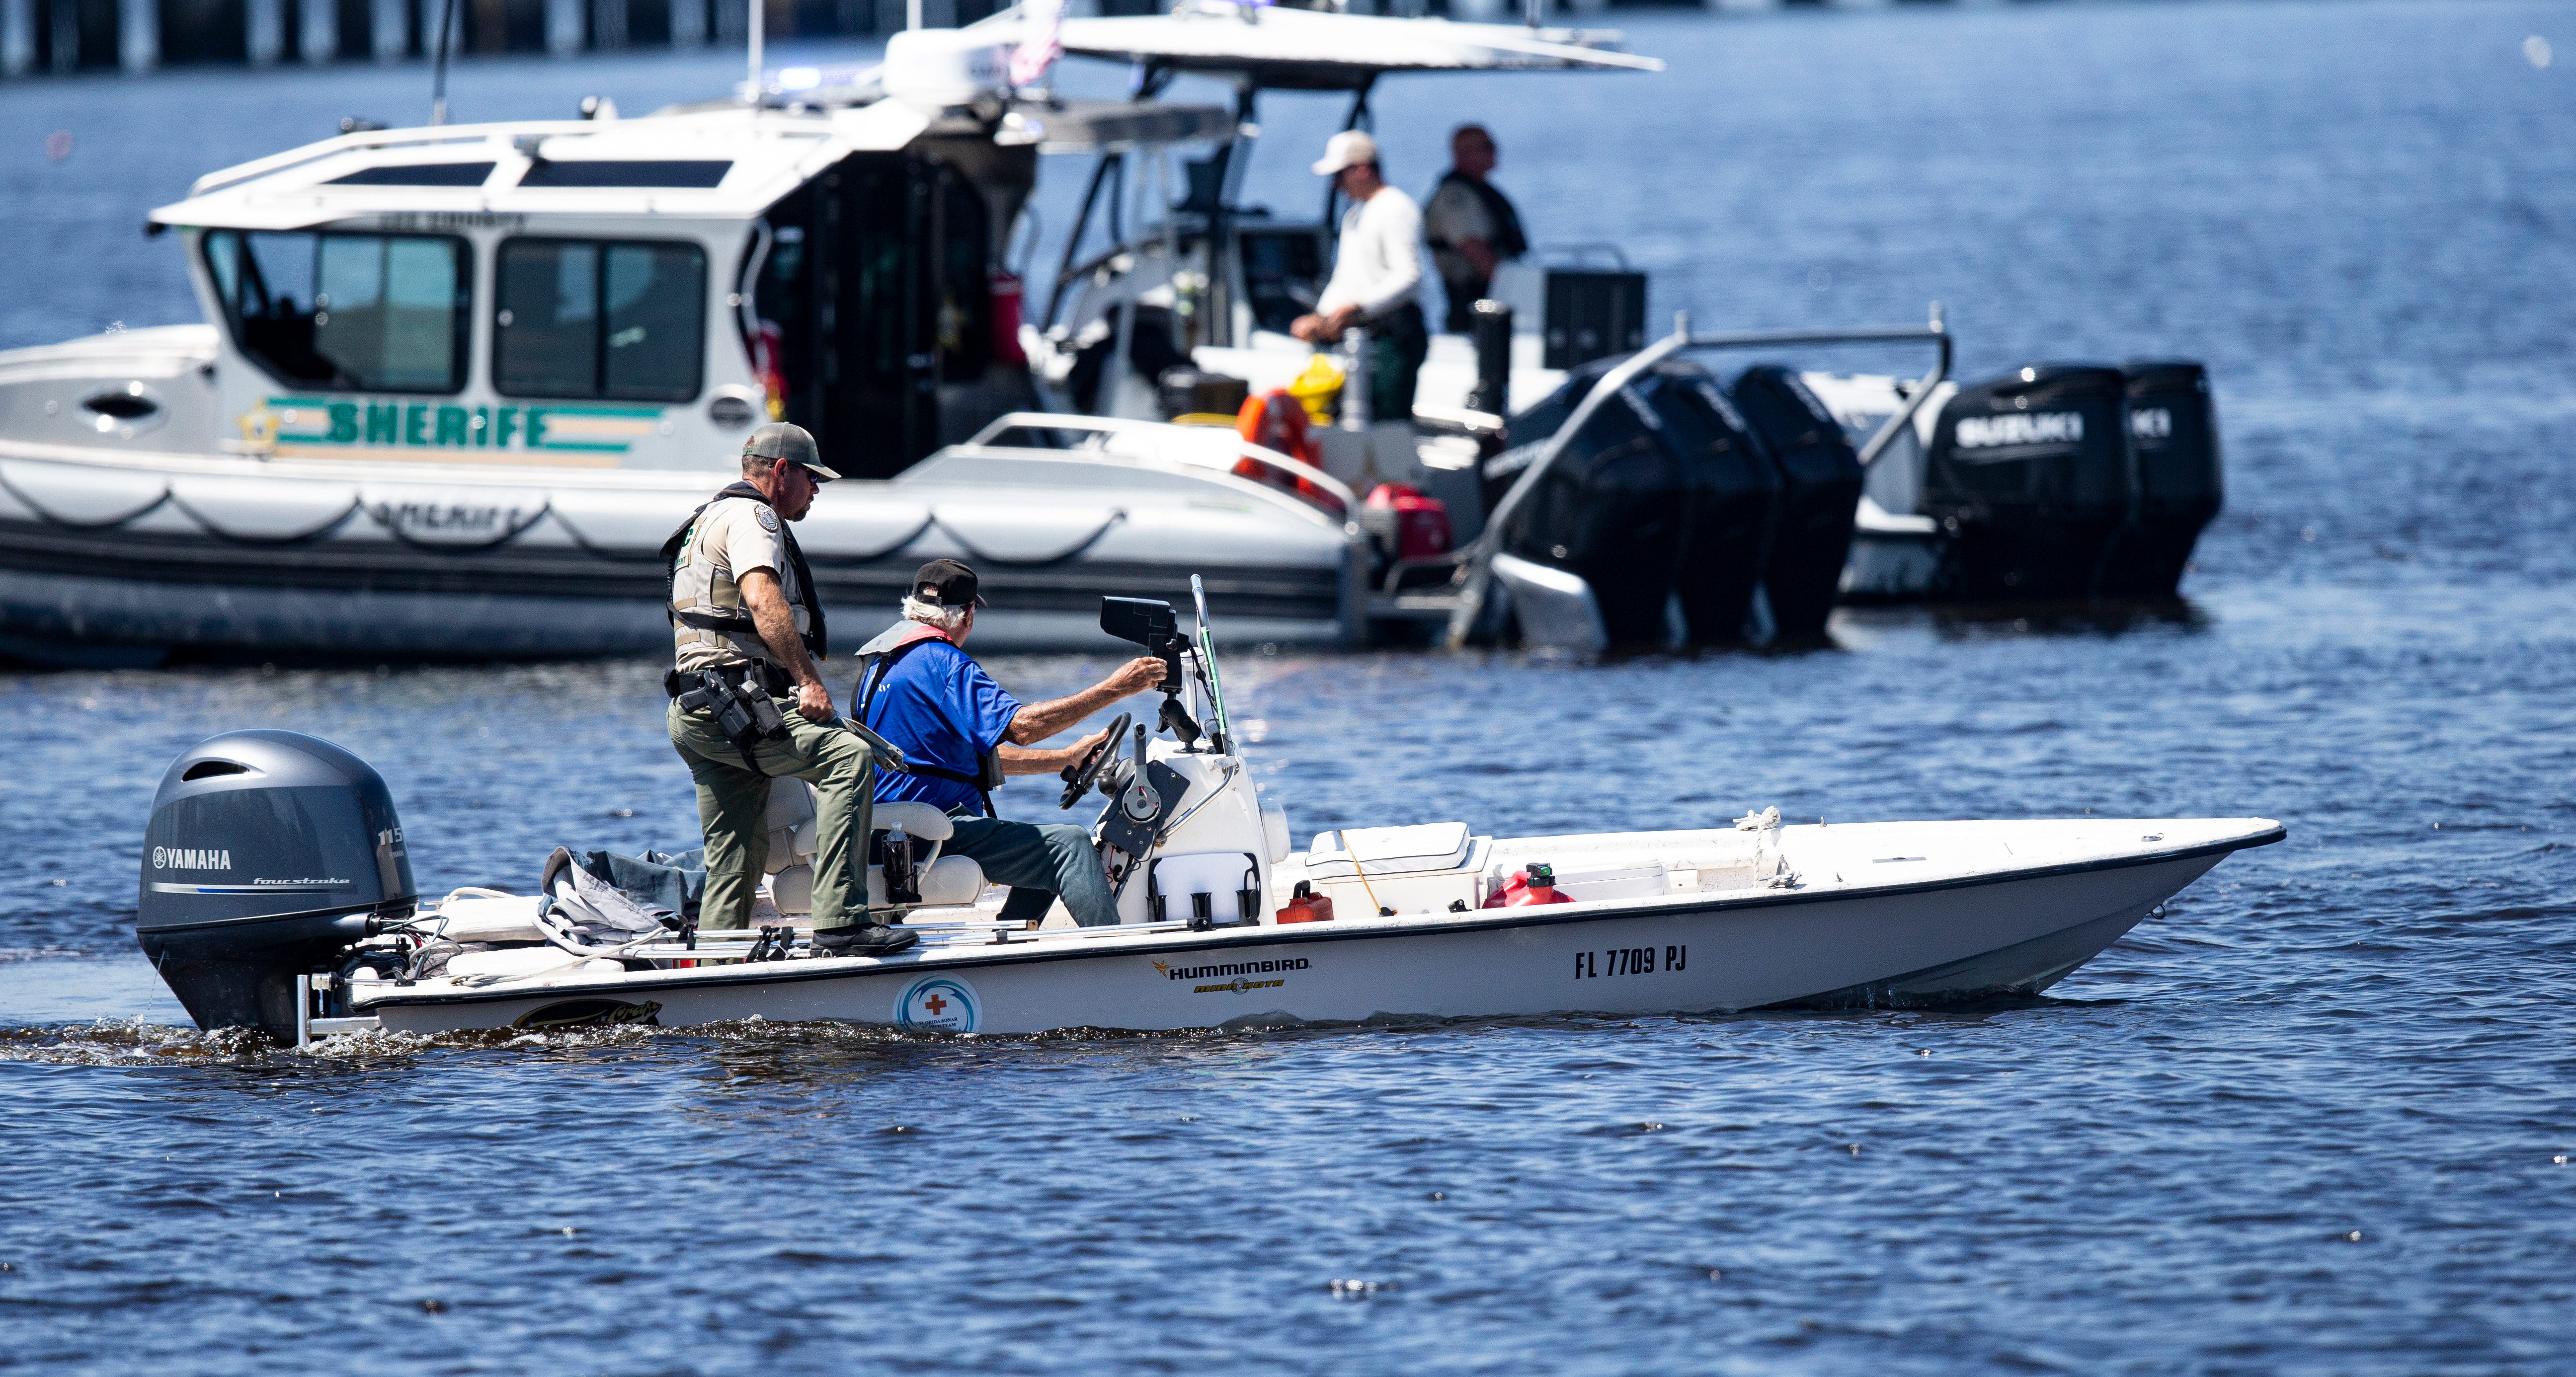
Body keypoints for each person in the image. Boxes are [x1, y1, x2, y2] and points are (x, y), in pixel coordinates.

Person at [663, 422, 915, 957]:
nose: (817, 490)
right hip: (735, 703)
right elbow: (762, 599)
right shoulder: (754, 517)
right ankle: (841, 923)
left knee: (735, 852)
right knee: (848, 758)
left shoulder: (706, 517)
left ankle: (716, 960)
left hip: (698, 711)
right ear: (781, 471)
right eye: (812, 477)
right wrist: (808, 682)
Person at [852, 560, 1165, 928]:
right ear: (968, 615)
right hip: (932, 831)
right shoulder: (944, 664)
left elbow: (953, 756)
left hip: (884, 831)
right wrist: (1116, 688)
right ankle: (1111, 955)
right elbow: (1023, 728)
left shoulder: (880, 665)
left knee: (1041, 844)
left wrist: (1064, 759)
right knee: (1071, 846)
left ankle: (1015, 939)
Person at [1290, 129, 1430, 428]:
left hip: (1395, 336)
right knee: (1355, 418)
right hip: (1365, 336)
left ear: (1362, 169)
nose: (1336, 185)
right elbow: (1345, 277)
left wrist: (1357, 307)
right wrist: (1321, 317)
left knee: (1388, 424)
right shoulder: (1354, 215)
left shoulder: (1395, 208)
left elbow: (1409, 275)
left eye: (1339, 176)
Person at [1423, 123, 1530, 335]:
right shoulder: (1455, 198)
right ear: (1462, 153)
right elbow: (1476, 251)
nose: (1494, 151)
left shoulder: (1480, 190)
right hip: (1475, 306)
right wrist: (1518, 292)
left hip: (1493, 301)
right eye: (1487, 146)